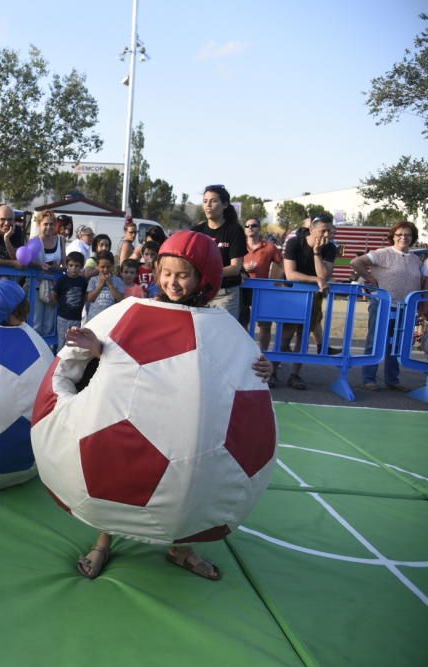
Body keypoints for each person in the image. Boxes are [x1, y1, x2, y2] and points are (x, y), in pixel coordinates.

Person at [69, 230, 272, 581]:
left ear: (202, 277)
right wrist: (96, 346)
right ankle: (104, 540)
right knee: (118, 474)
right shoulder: (143, 311)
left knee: (185, 480)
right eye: (167, 273)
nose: (172, 282)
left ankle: (180, 549)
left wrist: (262, 368)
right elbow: (122, 354)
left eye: (183, 275)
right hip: (135, 411)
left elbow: (231, 364)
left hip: (181, 418)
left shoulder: (215, 323)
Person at [351, 220, 427, 391]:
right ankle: (369, 378)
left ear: (413, 237)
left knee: (396, 344)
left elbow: (422, 281)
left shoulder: (416, 260)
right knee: (375, 342)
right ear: (393, 236)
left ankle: (392, 380)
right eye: (399, 234)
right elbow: (356, 262)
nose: (403, 238)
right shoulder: (382, 253)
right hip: (383, 305)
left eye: (407, 235)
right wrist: (370, 279)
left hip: (405, 309)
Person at [277, 213, 338, 390]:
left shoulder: (330, 247)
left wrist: (317, 252)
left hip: (313, 297)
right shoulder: (294, 242)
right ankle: (273, 371)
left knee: (303, 338)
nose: (326, 235)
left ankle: (295, 375)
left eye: (329, 231)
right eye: (322, 231)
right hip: (290, 294)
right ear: (311, 229)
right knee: (286, 335)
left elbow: (324, 275)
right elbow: (291, 274)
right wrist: (316, 281)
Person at [192, 184, 247, 318]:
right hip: (199, 293)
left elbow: (235, 268)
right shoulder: (196, 231)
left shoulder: (234, 230)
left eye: (214, 201)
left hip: (225, 294)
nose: (208, 205)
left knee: (223, 337)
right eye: (205, 201)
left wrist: (207, 273)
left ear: (225, 204)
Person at [242, 218, 283, 349]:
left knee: (265, 325)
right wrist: (242, 268)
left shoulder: (270, 247)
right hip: (243, 289)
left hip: (263, 290)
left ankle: (263, 354)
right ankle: (245, 354)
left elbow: (282, 266)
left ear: (259, 228)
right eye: (247, 225)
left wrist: (276, 281)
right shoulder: (239, 246)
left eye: (253, 225)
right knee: (241, 324)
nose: (250, 228)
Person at [28, 210, 64, 340]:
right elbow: (26, 262)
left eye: (51, 224)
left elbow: (64, 265)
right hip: (37, 285)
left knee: (49, 324)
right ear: (39, 225)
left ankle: (48, 355)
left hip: (54, 286)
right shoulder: (34, 241)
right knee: (36, 323)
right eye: (45, 224)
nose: (49, 227)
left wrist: (57, 267)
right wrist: (39, 265)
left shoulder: (60, 240)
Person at [51, 251, 87, 351]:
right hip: (63, 318)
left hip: (77, 318)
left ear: (81, 266)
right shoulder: (62, 280)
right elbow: (54, 296)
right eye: (71, 265)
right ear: (66, 265)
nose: (73, 268)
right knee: (62, 343)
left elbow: (84, 297)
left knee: (73, 344)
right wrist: (60, 306)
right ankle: (58, 364)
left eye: (77, 266)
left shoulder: (83, 281)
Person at [85, 250, 124, 322]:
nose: (105, 270)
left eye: (108, 267)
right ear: (97, 266)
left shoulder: (118, 280)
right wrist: (100, 284)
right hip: (94, 318)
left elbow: (120, 300)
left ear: (112, 265)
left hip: (111, 320)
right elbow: (90, 298)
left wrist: (110, 284)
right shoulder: (93, 280)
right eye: (102, 267)